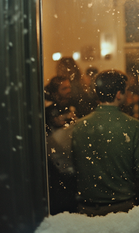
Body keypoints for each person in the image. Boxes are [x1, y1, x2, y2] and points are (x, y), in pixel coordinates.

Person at [72, 70, 139, 216]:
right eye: (127, 90)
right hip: (122, 209)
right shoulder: (133, 126)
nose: (128, 93)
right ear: (118, 94)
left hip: (87, 210)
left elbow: (72, 167)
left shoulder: (79, 126)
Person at [44, 76, 78, 215]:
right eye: (64, 88)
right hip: (57, 163)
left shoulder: (76, 104)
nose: (68, 90)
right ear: (55, 92)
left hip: (74, 160)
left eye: (69, 87)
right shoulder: (48, 111)